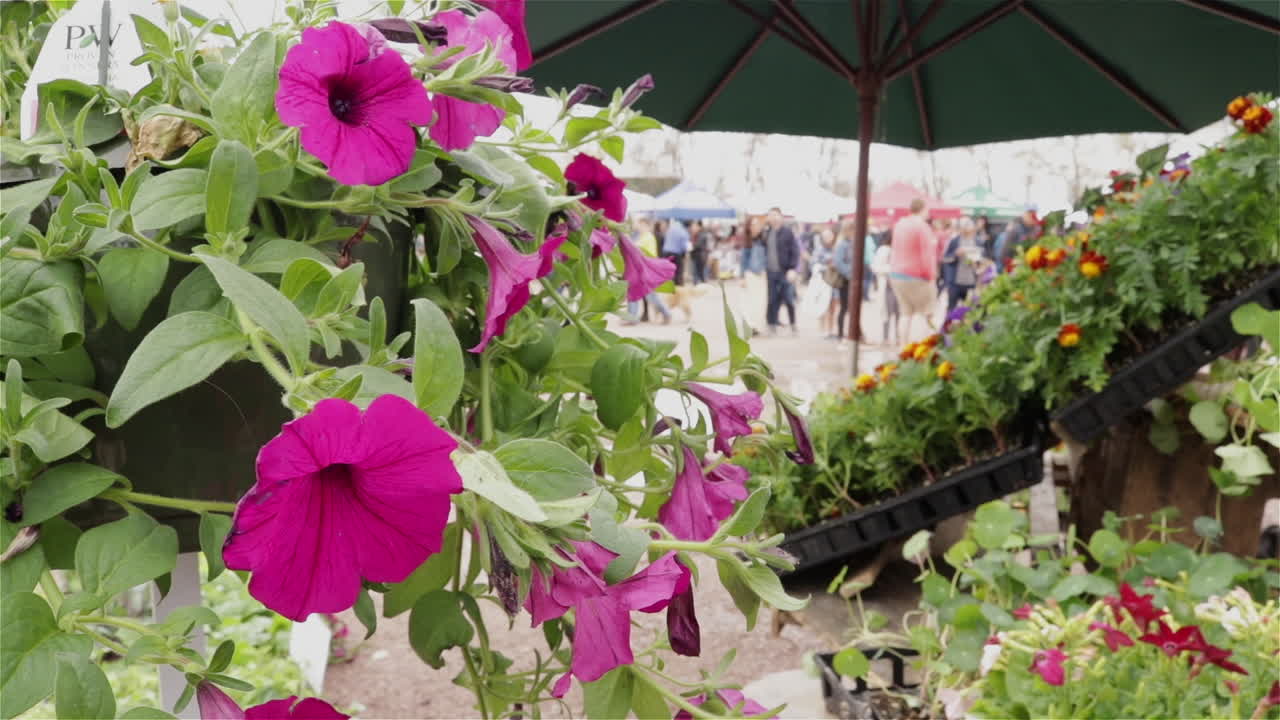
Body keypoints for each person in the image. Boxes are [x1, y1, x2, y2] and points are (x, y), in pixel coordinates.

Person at [888, 198, 939, 339]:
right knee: (928, 313)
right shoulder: (922, 227)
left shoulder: (899, 224)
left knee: (905, 314)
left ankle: (903, 348)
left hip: (897, 274)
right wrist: (931, 276)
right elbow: (927, 254)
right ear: (922, 209)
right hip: (917, 275)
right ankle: (926, 348)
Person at [625, 219, 672, 325]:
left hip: (645, 271)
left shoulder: (648, 237)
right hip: (639, 270)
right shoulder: (642, 237)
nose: (639, 227)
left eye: (641, 225)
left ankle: (667, 314)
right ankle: (631, 318)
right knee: (634, 292)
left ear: (646, 226)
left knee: (651, 296)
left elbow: (642, 251)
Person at [764, 207, 798, 335]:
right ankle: (771, 324)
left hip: (785, 271)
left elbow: (795, 251)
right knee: (772, 299)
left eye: (775, 215)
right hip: (771, 272)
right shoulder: (767, 232)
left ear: (781, 216)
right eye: (770, 215)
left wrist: (792, 269)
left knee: (788, 299)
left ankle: (793, 324)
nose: (773, 218)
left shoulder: (787, 232)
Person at [941, 217, 984, 312]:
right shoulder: (955, 241)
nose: (966, 230)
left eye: (969, 227)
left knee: (971, 311)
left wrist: (978, 264)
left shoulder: (978, 242)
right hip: (955, 283)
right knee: (951, 310)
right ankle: (949, 326)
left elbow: (983, 262)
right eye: (964, 228)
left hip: (972, 283)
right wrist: (955, 254)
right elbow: (945, 258)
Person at [871, 228, 899, 345]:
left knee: (899, 312)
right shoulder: (883, 250)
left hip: (899, 285)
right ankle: (886, 337)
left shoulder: (899, 250)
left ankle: (898, 337)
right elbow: (875, 267)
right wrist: (890, 268)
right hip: (887, 286)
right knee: (887, 312)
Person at [833, 225, 853, 342]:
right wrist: (850, 273)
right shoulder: (842, 245)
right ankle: (840, 334)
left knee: (850, 308)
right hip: (845, 281)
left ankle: (853, 333)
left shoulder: (851, 243)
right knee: (844, 307)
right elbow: (838, 263)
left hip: (850, 279)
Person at [662, 219, 689, 285]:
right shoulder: (683, 231)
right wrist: (685, 254)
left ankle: (668, 286)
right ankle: (677, 288)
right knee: (678, 272)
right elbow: (684, 246)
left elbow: (665, 239)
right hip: (676, 254)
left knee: (668, 271)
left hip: (666, 252)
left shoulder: (670, 229)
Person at [689, 220, 712, 284]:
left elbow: (698, 244)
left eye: (695, 226)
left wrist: (691, 245)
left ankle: (701, 285)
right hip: (696, 256)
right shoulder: (695, 235)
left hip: (700, 256)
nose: (693, 228)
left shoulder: (702, 234)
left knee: (700, 273)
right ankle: (697, 285)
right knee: (696, 272)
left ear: (699, 227)